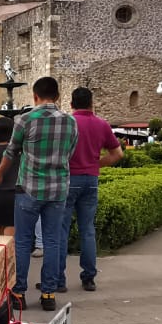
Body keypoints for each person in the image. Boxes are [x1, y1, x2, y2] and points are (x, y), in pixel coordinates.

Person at [0, 76, 77, 312]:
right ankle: (48, 293)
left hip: (28, 190)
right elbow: (70, 152)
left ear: (35, 96)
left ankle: (19, 293)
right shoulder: (70, 122)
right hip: (58, 191)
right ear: (57, 96)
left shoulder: (25, 119)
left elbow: (11, 152)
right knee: (52, 241)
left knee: (23, 242)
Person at [60, 87, 122, 294]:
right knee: (87, 230)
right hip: (91, 180)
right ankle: (89, 278)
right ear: (92, 103)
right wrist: (96, 165)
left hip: (68, 179)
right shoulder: (101, 124)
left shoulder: (67, 123)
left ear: (71, 104)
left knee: (61, 230)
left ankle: (58, 278)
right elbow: (117, 154)